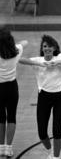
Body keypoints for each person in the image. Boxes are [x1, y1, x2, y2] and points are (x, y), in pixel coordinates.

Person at [19, 34, 61, 159]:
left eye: (50, 46)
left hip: (59, 98)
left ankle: (56, 157)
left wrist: (56, 62)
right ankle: (51, 150)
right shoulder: (38, 60)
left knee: (57, 130)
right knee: (42, 133)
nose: (47, 48)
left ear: (54, 48)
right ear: (42, 48)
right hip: (43, 98)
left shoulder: (59, 58)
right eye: (45, 46)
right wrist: (41, 64)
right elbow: (21, 59)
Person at [0, 28, 28, 157]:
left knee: (1, 118)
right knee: (12, 117)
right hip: (12, 87)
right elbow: (25, 42)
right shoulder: (17, 51)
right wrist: (17, 44)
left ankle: (1, 147)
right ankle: (9, 148)